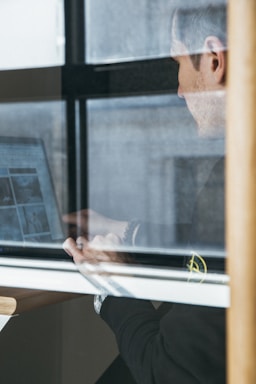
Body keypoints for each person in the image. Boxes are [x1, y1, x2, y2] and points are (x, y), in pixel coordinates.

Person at [63, 2, 227, 383]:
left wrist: (113, 286)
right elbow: (209, 250)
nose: (180, 89)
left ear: (214, 59)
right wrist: (126, 231)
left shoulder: (236, 187)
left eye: (180, 64)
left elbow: (169, 372)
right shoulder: (235, 176)